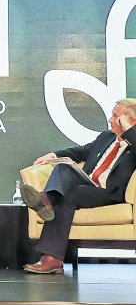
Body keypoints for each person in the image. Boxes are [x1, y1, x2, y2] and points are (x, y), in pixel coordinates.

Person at [20, 98, 136, 274]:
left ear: (130, 121)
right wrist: (53, 155)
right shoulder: (107, 137)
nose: (110, 120)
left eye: (115, 116)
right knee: (63, 167)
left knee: (71, 195)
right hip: (88, 184)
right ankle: (46, 201)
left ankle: (51, 259)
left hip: (109, 192)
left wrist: (130, 131)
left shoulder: (133, 143)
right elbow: (80, 152)